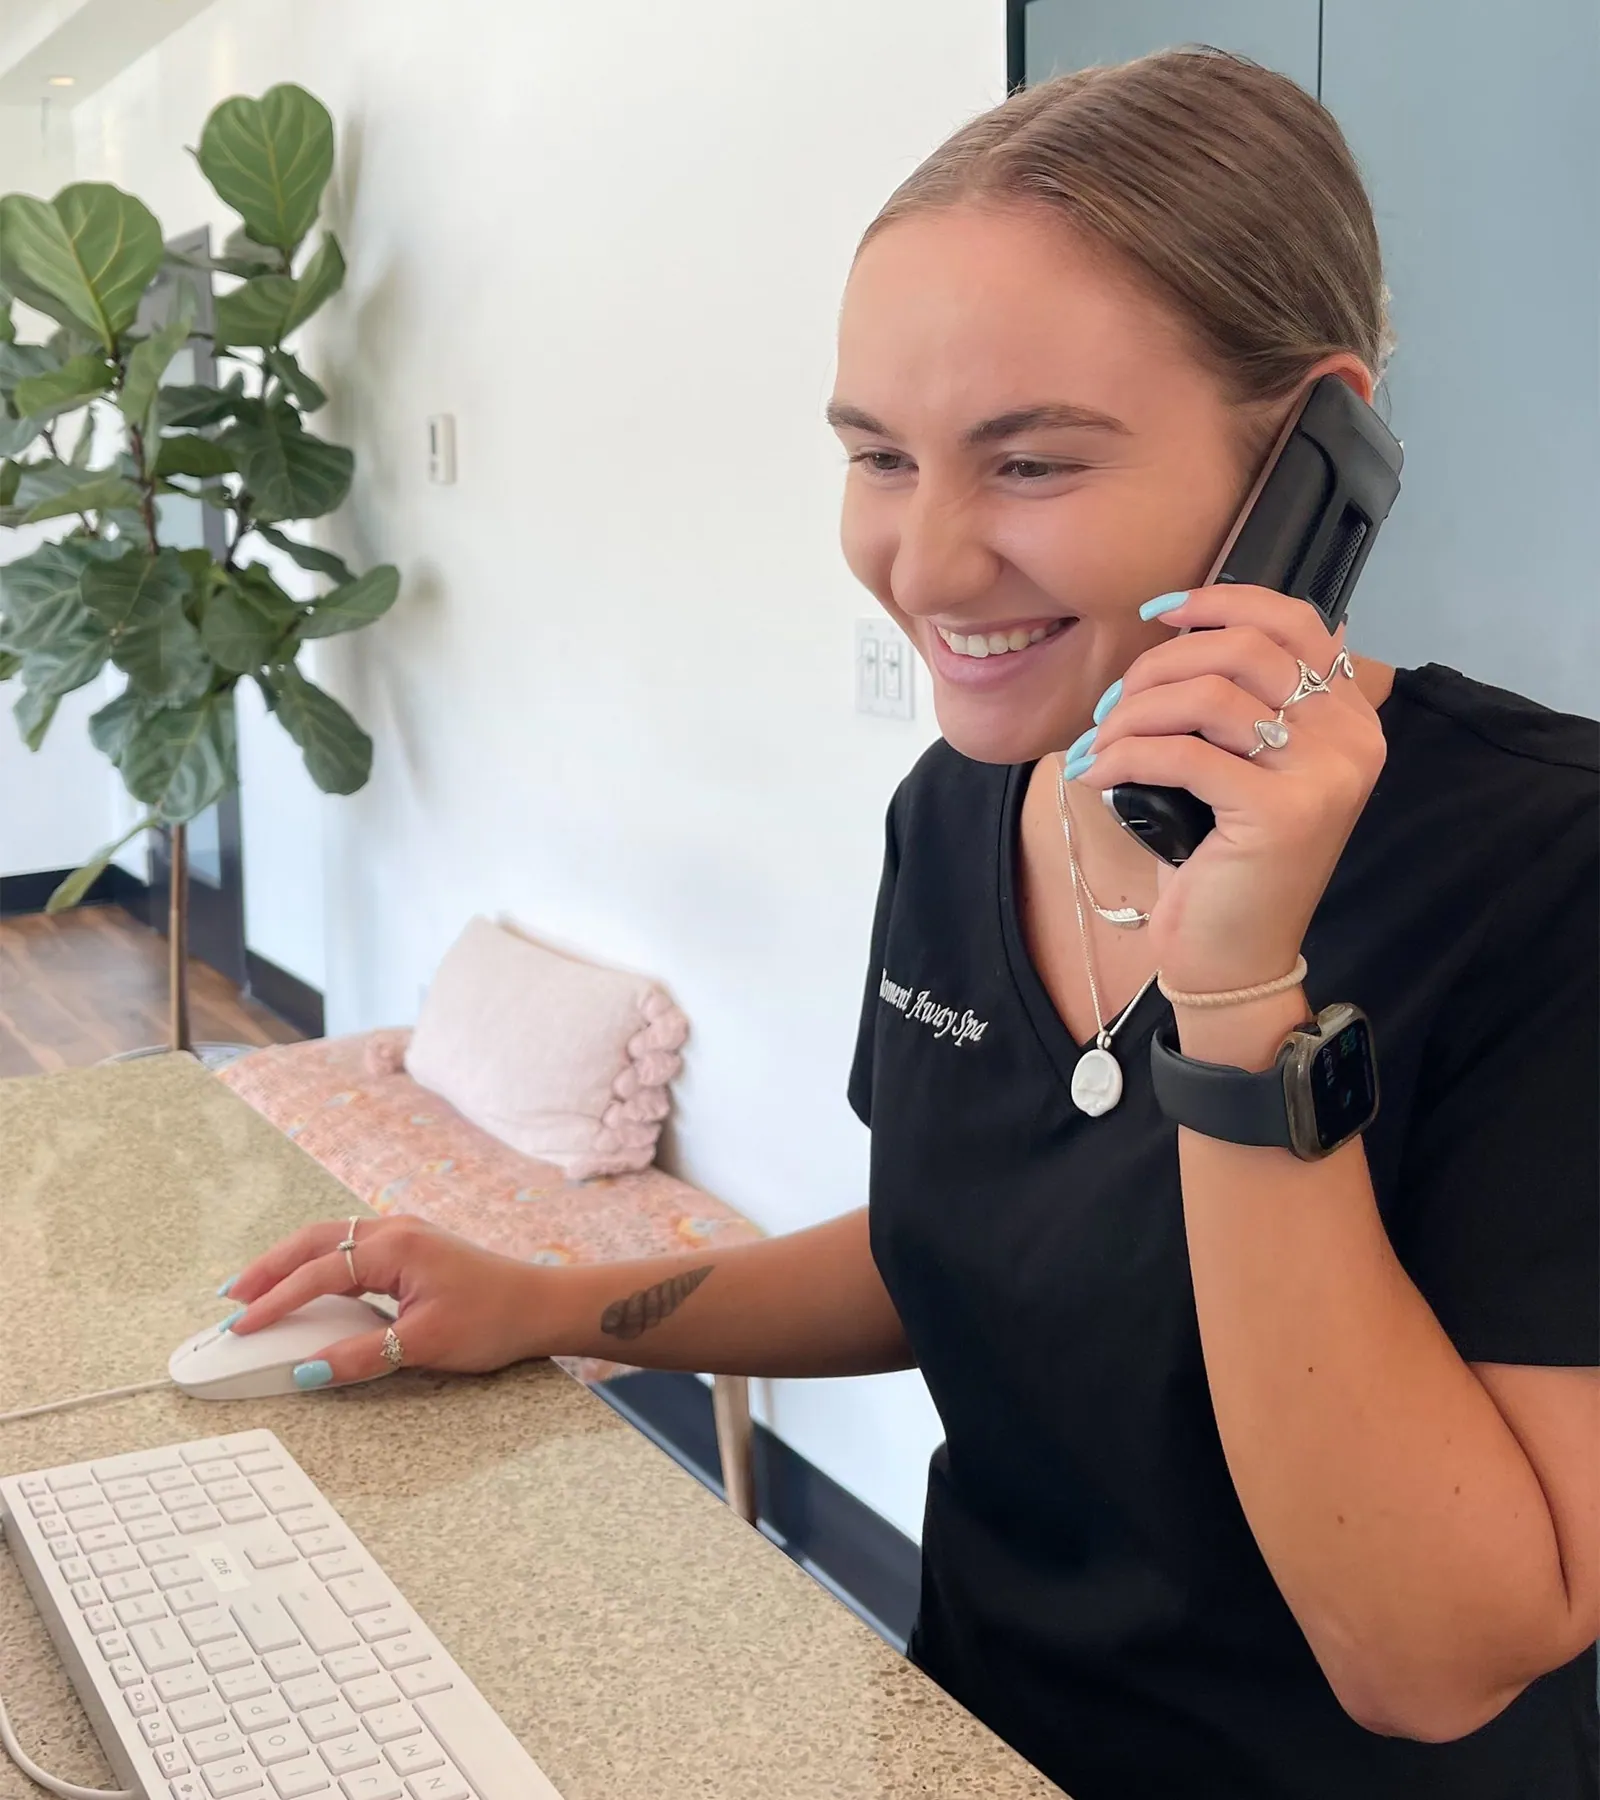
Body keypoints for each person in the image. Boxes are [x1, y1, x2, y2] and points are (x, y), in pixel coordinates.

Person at [222, 48, 1599, 1800]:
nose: (924, 567)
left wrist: (1243, 995)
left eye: (1028, 464)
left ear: (1311, 454)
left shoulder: (1550, 867)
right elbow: (947, 1246)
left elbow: (1436, 1664)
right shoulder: (958, 812)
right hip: (959, 1745)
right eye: (880, 456)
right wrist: (545, 1302)